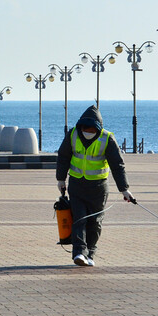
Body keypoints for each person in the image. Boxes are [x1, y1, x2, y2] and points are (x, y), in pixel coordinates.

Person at [56, 105, 133, 267]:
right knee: (79, 219)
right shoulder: (72, 135)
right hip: (77, 185)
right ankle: (79, 253)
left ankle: (90, 253)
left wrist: (124, 189)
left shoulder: (107, 138)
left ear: (98, 128)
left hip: (99, 188)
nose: (88, 131)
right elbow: (63, 157)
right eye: (86, 128)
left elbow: (117, 165)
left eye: (92, 129)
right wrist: (61, 179)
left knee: (95, 222)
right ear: (81, 125)